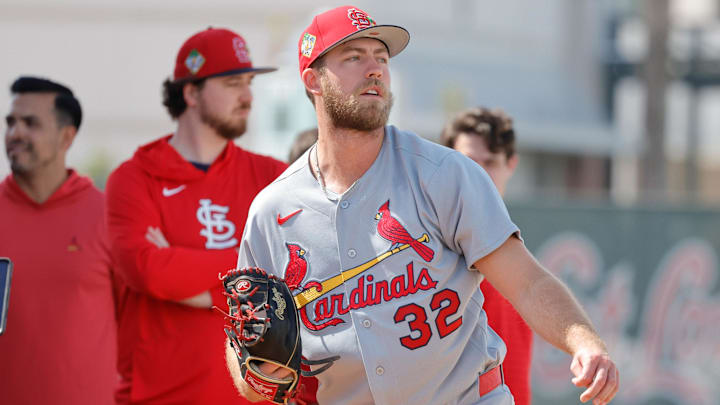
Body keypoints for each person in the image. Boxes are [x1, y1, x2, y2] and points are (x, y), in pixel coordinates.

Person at [230, 5, 619, 405]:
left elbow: (529, 281)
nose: (375, 69)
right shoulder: (272, 212)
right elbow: (243, 351)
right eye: (353, 57)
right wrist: (259, 372)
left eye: (381, 58)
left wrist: (585, 342)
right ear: (313, 80)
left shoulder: (443, 174)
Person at [105, 28, 288, 404]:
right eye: (233, 82)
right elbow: (147, 270)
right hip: (158, 396)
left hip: (256, 397)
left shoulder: (272, 177)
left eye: (249, 82)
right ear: (190, 92)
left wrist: (189, 278)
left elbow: (293, 275)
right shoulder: (134, 178)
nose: (248, 96)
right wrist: (251, 279)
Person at [0, 76, 118, 404]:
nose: (15, 133)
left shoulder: (108, 217)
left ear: (67, 136)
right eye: (11, 122)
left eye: (31, 123)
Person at [441, 107, 532, 405]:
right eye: (468, 162)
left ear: (511, 165)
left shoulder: (517, 251)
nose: (478, 173)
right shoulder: (428, 248)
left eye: (490, 162)